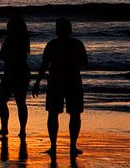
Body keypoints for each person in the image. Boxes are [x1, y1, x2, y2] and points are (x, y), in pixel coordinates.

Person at [33, 18, 87, 156]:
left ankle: (53, 146)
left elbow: (44, 66)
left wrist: (37, 82)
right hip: (73, 80)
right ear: (70, 29)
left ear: (57, 30)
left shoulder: (52, 44)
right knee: (74, 114)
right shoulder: (77, 44)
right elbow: (85, 63)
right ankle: (72, 147)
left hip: (55, 80)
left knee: (53, 113)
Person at [0, 15, 31, 138]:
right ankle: (22, 130)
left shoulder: (11, 39)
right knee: (20, 102)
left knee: (2, 100)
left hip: (11, 73)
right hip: (22, 72)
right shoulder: (24, 38)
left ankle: (5, 128)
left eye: (9, 24)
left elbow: (4, 57)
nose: (7, 26)